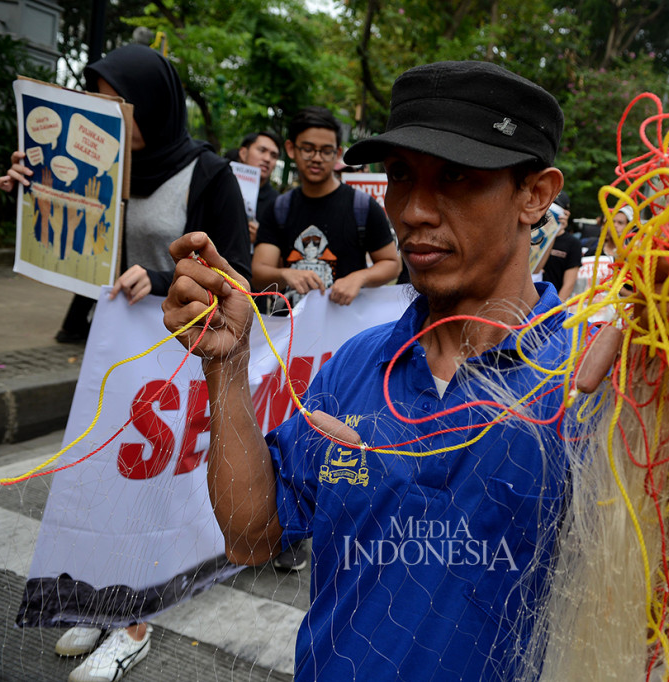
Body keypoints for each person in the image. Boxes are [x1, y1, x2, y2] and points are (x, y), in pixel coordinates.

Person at [162, 60, 567, 680]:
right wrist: (227, 367)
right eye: (401, 177)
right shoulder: (357, 364)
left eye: (456, 178)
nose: (414, 212)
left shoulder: (592, 379)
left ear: (534, 195)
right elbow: (252, 537)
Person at [0, 43, 251, 682]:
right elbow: (72, 246)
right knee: (103, 477)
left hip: (180, 358)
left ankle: (134, 624)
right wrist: (30, 194)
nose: (105, 112)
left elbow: (238, 277)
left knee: (155, 490)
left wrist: (163, 278)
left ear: (155, 106)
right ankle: (101, 596)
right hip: (112, 357)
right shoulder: (94, 166)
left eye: (119, 101)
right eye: (99, 98)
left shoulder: (208, 174)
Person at [251, 106, 400, 307]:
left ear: (337, 153)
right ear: (291, 149)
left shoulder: (362, 207)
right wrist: (286, 275)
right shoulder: (279, 209)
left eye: (326, 150)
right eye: (308, 149)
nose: (317, 158)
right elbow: (259, 272)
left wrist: (359, 278)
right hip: (290, 329)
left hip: (346, 327)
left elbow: (392, 264)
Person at [236, 130, 282, 244]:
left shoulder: (278, 203)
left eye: (273, 155)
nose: (267, 159)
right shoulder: (220, 188)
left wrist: (262, 238)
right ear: (243, 153)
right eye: (262, 150)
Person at [540, 190, 581, 299]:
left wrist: (555, 310)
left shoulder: (573, 243)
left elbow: (569, 284)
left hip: (552, 303)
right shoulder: (533, 236)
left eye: (556, 209)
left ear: (566, 213)